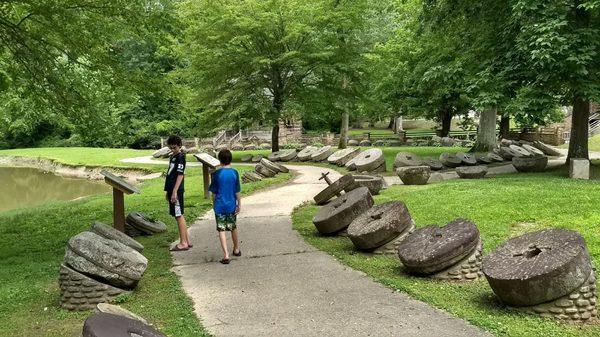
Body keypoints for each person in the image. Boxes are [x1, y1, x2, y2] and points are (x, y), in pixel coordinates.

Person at [209, 149, 241, 264]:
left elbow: (214, 192)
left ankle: (226, 255)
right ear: (230, 159)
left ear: (220, 160)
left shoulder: (217, 174)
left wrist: (214, 204)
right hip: (231, 205)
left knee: (221, 229)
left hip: (219, 206)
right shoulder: (235, 173)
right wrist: (239, 204)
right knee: (233, 227)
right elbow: (237, 191)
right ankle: (236, 249)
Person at [164, 135, 192, 251]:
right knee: (179, 215)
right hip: (171, 189)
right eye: (170, 148)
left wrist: (174, 191)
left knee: (178, 215)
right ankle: (187, 241)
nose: (172, 150)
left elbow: (180, 175)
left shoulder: (180, 157)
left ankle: (183, 243)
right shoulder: (173, 156)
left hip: (177, 190)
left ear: (180, 146)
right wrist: (168, 191)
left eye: (174, 147)